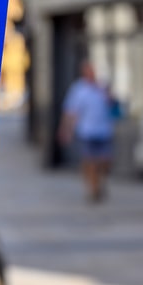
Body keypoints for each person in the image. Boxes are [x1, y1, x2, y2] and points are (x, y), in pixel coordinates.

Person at [59, 61, 114, 203]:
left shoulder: (101, 87)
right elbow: (71, 112)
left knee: (104, 161)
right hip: (87, 131)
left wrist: (108, 94)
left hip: (103, 130)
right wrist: (66, 129)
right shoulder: (78, 90)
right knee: (89, 161)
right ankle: (93, 188)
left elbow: (111, 105)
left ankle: (99, 182)